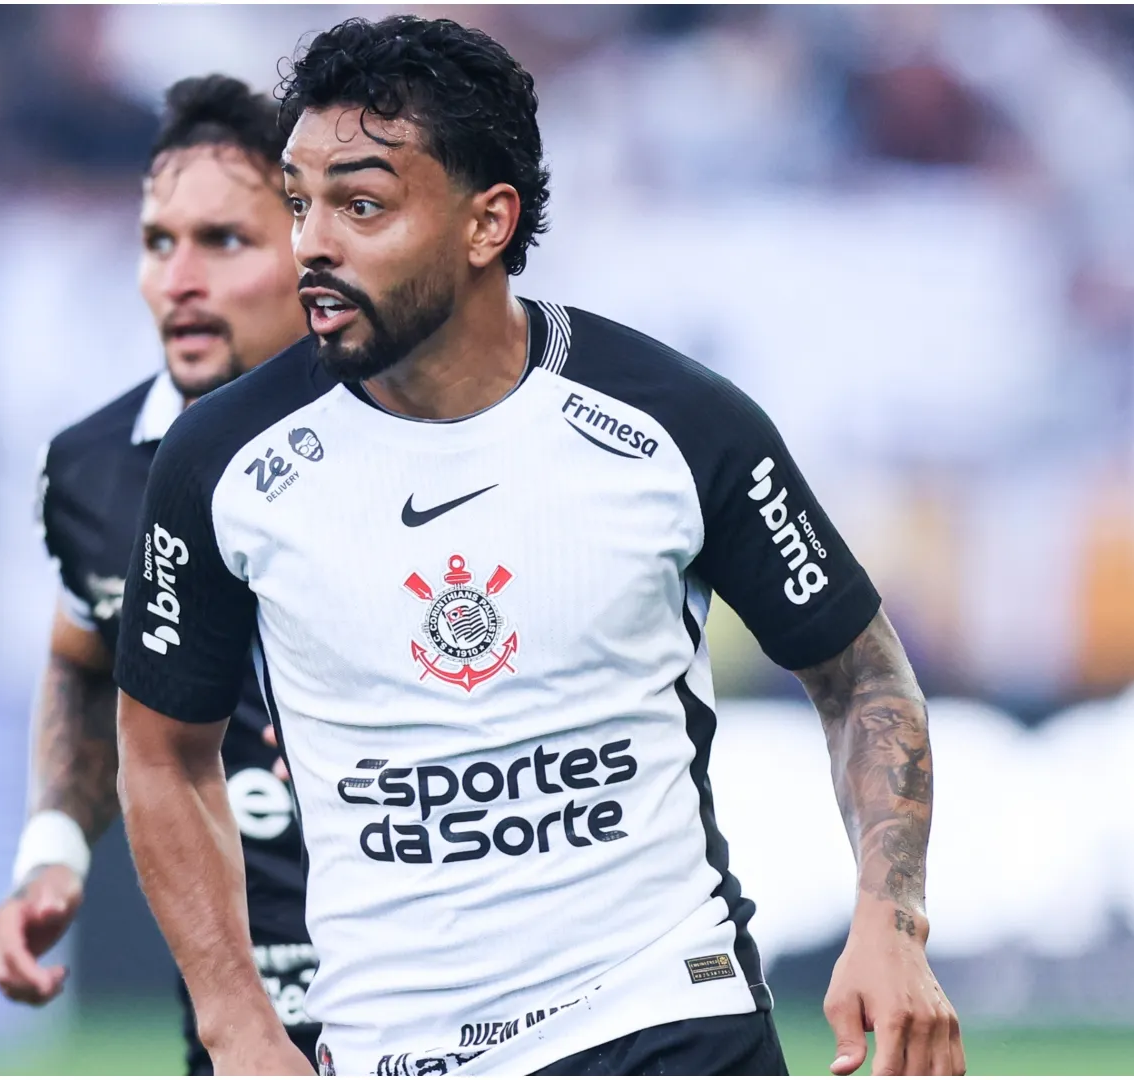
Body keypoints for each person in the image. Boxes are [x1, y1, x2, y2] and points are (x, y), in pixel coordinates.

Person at [113, 16, 965, 1078]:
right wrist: (237, 1024)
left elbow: (863, 675)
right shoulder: (221, 463)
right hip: (396, 1050)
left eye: (361, 204)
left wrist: (892, 921)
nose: (313, 244)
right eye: (299, 203)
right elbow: (160, 750)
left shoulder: (675, 424)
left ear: (487, 224)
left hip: (666, 1017)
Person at [0, 74, 318, 1074]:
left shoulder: (424, 435)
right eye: (157, 243)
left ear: (313, 249)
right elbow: (88, 663)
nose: (179, 279)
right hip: (248, 1019)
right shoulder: (93, 470)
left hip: (457, 997)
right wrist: (53, 847)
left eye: (224, 241)